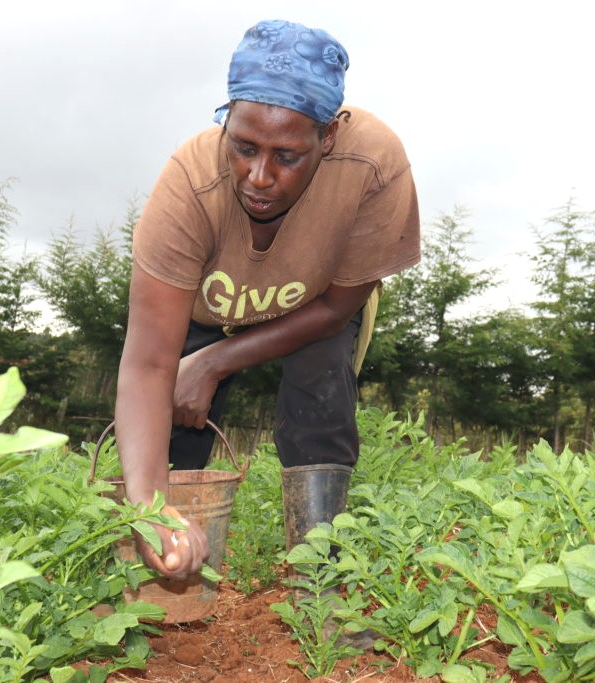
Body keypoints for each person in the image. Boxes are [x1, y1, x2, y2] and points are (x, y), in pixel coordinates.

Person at [114, 19, 420, 581]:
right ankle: (158, 569)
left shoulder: (372, 166)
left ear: (327, 138)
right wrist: (151, 509)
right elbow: (149, 362)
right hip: (207, 307)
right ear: (226, 121)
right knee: (170, 426)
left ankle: (319, 579)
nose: (259, 176)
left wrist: (213, 362)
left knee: (319, 400)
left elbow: (335, 310)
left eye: (288, 156)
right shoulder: (188, 185)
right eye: (245, 147)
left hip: (315, 308)